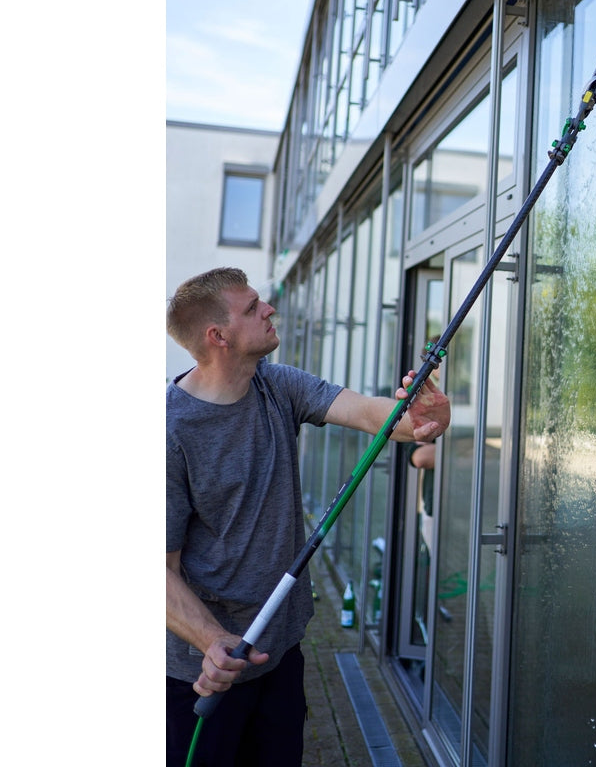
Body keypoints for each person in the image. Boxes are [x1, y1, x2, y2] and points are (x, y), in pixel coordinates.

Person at [166, 267, 450, 767]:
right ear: (219, 336)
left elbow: (371, 414)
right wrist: (213, 642)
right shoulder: (170, 431)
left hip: (280, 652)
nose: (269, 309)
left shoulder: (275, 385)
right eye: (253, 307)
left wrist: (421, 420)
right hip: (201, 672)